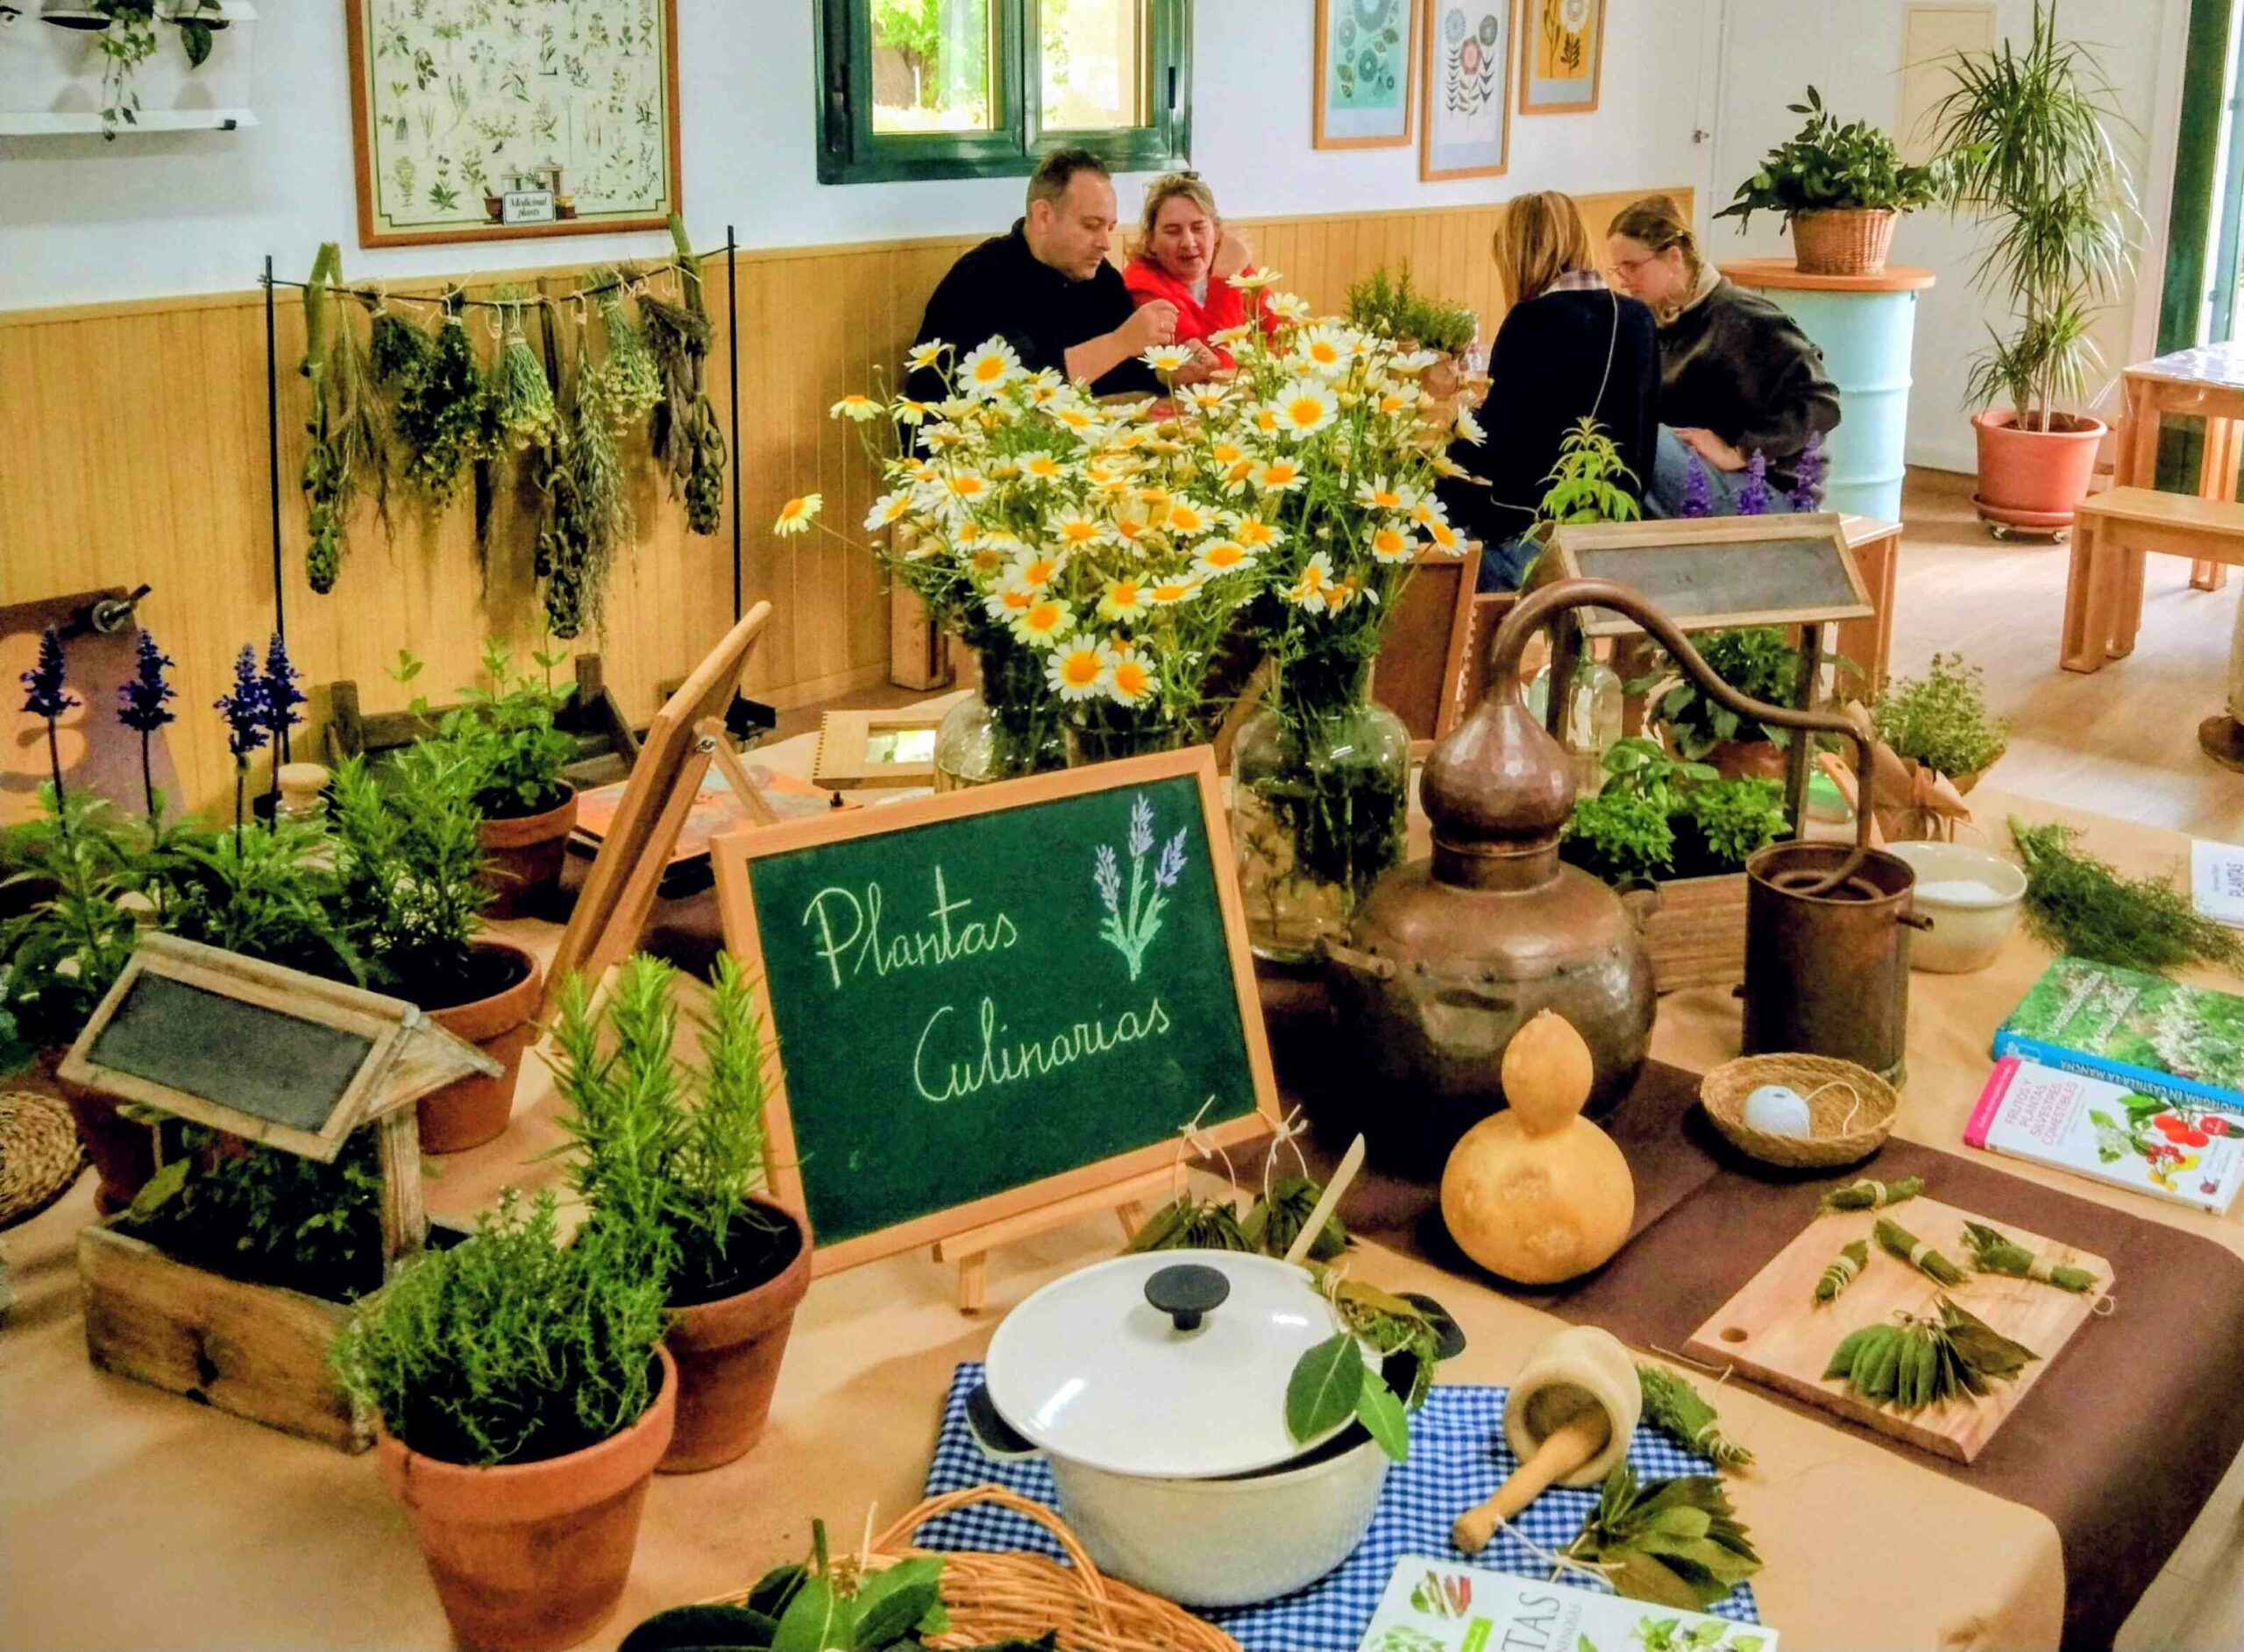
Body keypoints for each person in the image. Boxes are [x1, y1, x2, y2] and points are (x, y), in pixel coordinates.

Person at [1438, 191, 1658, 591]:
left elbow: (1496, 452)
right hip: (1614, 544)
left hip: (1532, 549)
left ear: (1516, 254)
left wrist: (1442, 447)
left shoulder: (1531, 321)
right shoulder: (1638, 318)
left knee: (1419, 510)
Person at [1607, 195, 1842, 517]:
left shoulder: (1743, 316)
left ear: (1674, 258)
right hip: (1715, 479)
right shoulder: (1663, 322)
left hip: (1773, 495)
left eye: (1631, 266)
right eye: (1618, 268)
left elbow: (1822, 402)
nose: (1623, 278)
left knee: (1639, 438)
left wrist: (1743, 451)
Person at [905, 148, 1189, 406]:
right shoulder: (979, 280)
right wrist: (1119, 343)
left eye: (1110, 228)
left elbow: (1129, 376)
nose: (1105, 242)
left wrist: (1170, 373)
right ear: (1043, 216)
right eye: (1091, 226)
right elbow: (1018, 388)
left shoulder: (1101, 278)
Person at [1122, 172, 1275, 372]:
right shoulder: (1142, 288)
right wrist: (1225, 280)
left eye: (1198, 228)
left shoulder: (1234, 268)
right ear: (1150, 240)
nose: (1188, 242)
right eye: (1172, 231)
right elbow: (1213, 370)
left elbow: (1284, 338)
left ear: (1217, 232)